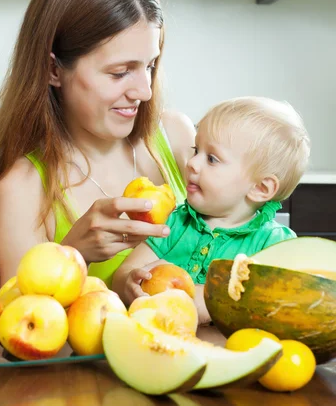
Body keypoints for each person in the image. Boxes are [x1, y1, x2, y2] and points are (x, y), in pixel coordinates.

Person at [0, 0, 196, 287]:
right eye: (120, 72)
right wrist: (72, 253)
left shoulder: (175, 137)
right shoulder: (21, 190)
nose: (144, 92)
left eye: (150, 66)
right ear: (53, 70)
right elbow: (19, 321)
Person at [113, 96, 311, 323]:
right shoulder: (176, 222)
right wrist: (129, 282)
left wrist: (205, 300)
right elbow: (125, 271)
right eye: (196, 150)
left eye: (212, 159)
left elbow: (277, 307)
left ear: (260, 188)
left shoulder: (275, 245)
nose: (192, 163)